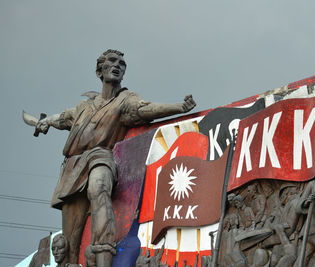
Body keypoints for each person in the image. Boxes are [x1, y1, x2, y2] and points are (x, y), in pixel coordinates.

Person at [33, 49, 196, 266]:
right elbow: (62, 118)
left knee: (98, 188)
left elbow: (145, 109)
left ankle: (104, 256)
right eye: (112, 61)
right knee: (71, 240)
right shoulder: (84, 106)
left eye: (122, 63)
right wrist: (46, 122)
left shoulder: (125, 100)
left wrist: (179, 107)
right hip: (73, 167)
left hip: (101, 157)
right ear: (100, 71)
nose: (118, 65)